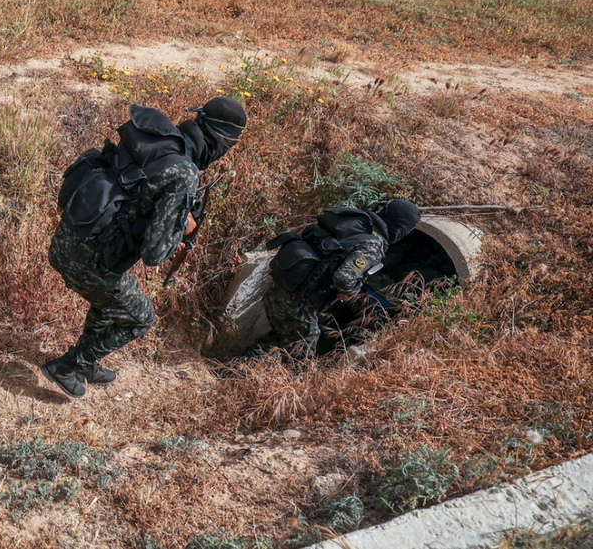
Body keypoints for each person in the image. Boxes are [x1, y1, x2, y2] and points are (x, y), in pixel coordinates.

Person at [42, 97, 247, 398]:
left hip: (67, 240)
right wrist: (180, 232)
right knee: (141, 318)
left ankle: (89, 361)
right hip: (90, 263)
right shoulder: (185, 173)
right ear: (222, 142)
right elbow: (154, 255)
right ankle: (70, 365)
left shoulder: (160, 138)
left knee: (110, 302)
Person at [264, 199, 422, 357]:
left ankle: (248, 361)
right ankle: (247, 372)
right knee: (300, 358)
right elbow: (343, 278)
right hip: (298, 305)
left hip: (280, 285)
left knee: (280, 339)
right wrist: (350, 295)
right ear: (401, 228)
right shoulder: (373, 245)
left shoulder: (356, 222)